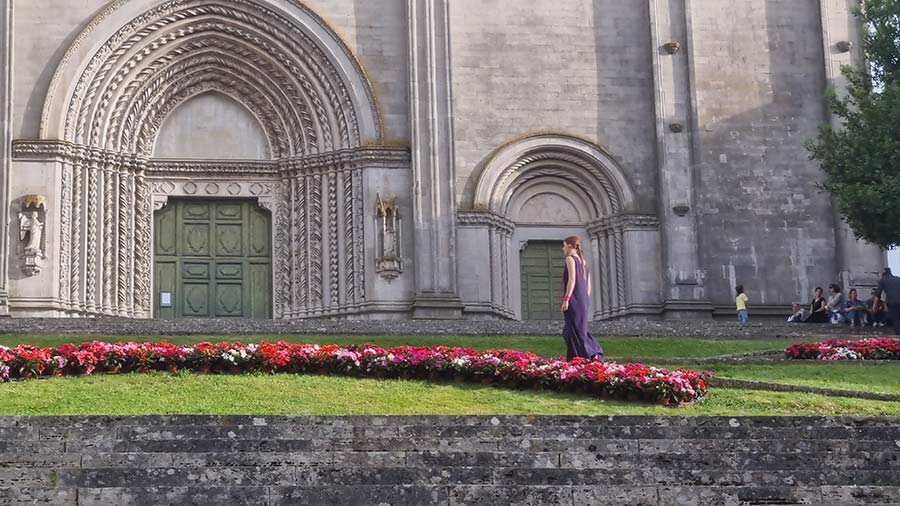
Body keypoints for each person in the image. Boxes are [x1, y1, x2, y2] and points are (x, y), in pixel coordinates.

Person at [560, 236, 604, 361]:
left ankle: (589, 354)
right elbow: (588, 286)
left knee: (573, 330)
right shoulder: (583, 262)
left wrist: (566, 299)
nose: (563, 249)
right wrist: (585, 299)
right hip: (583, 299)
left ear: (569, 246)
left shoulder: (570, 259)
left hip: (574, 299)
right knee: (578, 329)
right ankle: (587, 354)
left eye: (564, 245)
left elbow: (572, 279)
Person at [877, 268, 900, 336]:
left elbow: (878, 294)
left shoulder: (883, 280)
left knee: (896, 320)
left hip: (892, 303)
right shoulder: (898, 279)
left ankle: (899, 336)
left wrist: (874, 306)